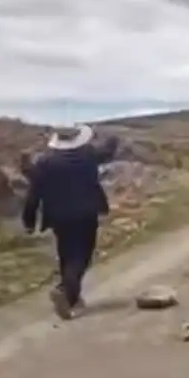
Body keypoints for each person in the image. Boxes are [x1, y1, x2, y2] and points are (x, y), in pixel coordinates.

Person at [22, 124, 119, 320]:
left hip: (58, 217)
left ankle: (68, 292)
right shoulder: (88, 156)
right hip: (86, 214)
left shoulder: (45, 162)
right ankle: (68, 295)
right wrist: (113, 139)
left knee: (66, 254)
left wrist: (29, 220)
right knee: (81, 257)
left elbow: (34, 193)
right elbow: (107, 152)